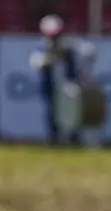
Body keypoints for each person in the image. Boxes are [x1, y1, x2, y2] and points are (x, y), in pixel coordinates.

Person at [29, 15, 96, 146]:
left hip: (71, 87)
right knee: (53, 115)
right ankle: (55, 141)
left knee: (74, 114)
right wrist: (52, 57)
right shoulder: (42, 48)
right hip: (52, 88)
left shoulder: (71, 46)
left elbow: (88, 56)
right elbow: (36, 63)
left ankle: (74, 140)